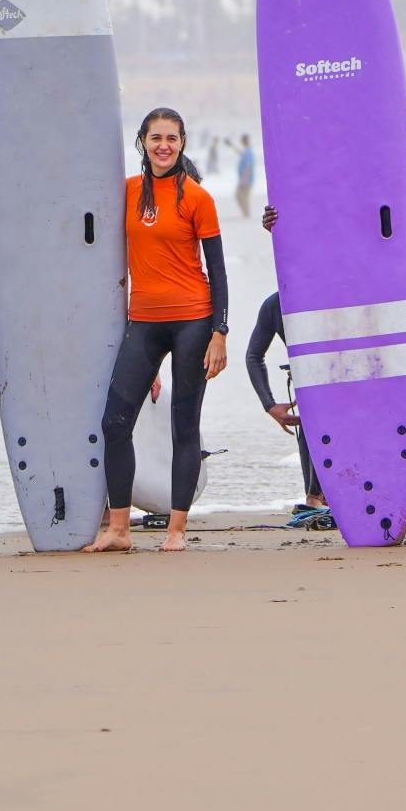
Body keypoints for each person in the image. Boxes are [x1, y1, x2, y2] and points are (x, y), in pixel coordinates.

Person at [84, 109, 229, 554]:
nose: (163, 146)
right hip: (143, 322)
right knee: (113, 423)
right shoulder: (126, 192)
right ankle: (120, 530)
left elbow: (218, 272)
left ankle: (177, 530)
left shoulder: (197, 198)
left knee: (185, 427)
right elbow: (74, 217)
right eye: (155, 138)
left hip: (192, 321)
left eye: (171, 138)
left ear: (182, 142)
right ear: (142, 143)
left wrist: (220, 332)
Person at [244, 290, 324, 512]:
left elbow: (253, 356)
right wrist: (269, 405)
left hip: (341, 384)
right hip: (311, 388)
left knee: (314, 420)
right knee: (310, 420)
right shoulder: (275, 304)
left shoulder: (277, 302)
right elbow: (254, 356)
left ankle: (316, 496)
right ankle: (315, 496)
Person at [234, 133, 257, 220]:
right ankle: (246, 214)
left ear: (244, 141)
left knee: (240, 195)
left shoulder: (248, 152)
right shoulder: (247, 151)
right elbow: (241, 153)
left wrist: (244, 179)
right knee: (242, 196)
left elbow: (248, 167)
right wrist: (231, 146)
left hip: (246, 179)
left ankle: (246, 214)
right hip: (246, 179)